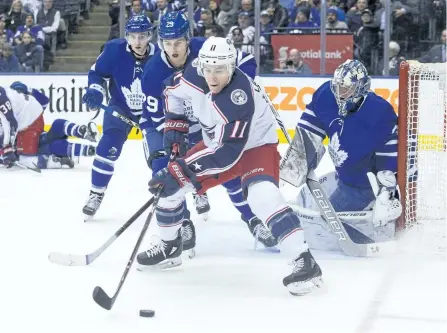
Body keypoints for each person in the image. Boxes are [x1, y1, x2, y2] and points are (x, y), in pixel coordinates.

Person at [137, 37, 323, 296]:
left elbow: (227, 155)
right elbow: (171, 92)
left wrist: (180, 169)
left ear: (232, 66)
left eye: (220, 69)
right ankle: (171, 246)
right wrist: (175, 125)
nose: (213, 77)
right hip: (216, 143)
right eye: (208, 69)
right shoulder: (194, 74)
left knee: (262, 197)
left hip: (255, 148)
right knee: (167, 190)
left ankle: (304, 259)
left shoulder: (238, 95)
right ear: (200, 65)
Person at [140, 12, 277, 257]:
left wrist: (237, 92)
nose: (174, 49)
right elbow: (157, 115)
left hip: (210, 123)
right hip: (173, 125)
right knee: (167, 170)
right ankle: (182, 224)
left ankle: (252, 219)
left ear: (188, 40)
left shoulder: (207, 49)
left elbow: (247, 62)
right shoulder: (152, 71)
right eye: (168, 43)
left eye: (179, 43)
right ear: (160, 43)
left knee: (229, 169)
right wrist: (175, 141)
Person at [281, 59, 401, 253]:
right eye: (338, 87)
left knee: (326, 221)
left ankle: (371, 223)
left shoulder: (379, 112)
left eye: (346, 89)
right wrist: (300, 159)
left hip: (361, 186)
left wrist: (385, 193)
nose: (339, 93)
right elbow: (311, 124)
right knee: (315, 211)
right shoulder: (326, 95)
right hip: (342, 176)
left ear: (361, 88)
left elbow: (388, 157)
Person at [81, 15, 156, 221]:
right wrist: (95, 90)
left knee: (160, 158)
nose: (138, 42)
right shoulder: (114, 50)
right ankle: (96, 194)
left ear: (150, 36)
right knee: (107, 149)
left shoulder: (160, 55)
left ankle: (174, 199)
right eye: (133, 37)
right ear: (127, 36)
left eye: (143, 36)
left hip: (151, 112)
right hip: (120, 108)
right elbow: (96, 73)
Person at [0, 82, 97, 170]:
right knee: (47, 138)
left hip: (27, 127)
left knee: (26, 157)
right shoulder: (11, 94)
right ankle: (80, 131)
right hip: (31, 124)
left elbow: (10, 124)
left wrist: (7, 149)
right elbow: (44, 101)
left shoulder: (4, 101)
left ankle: (56, 161)